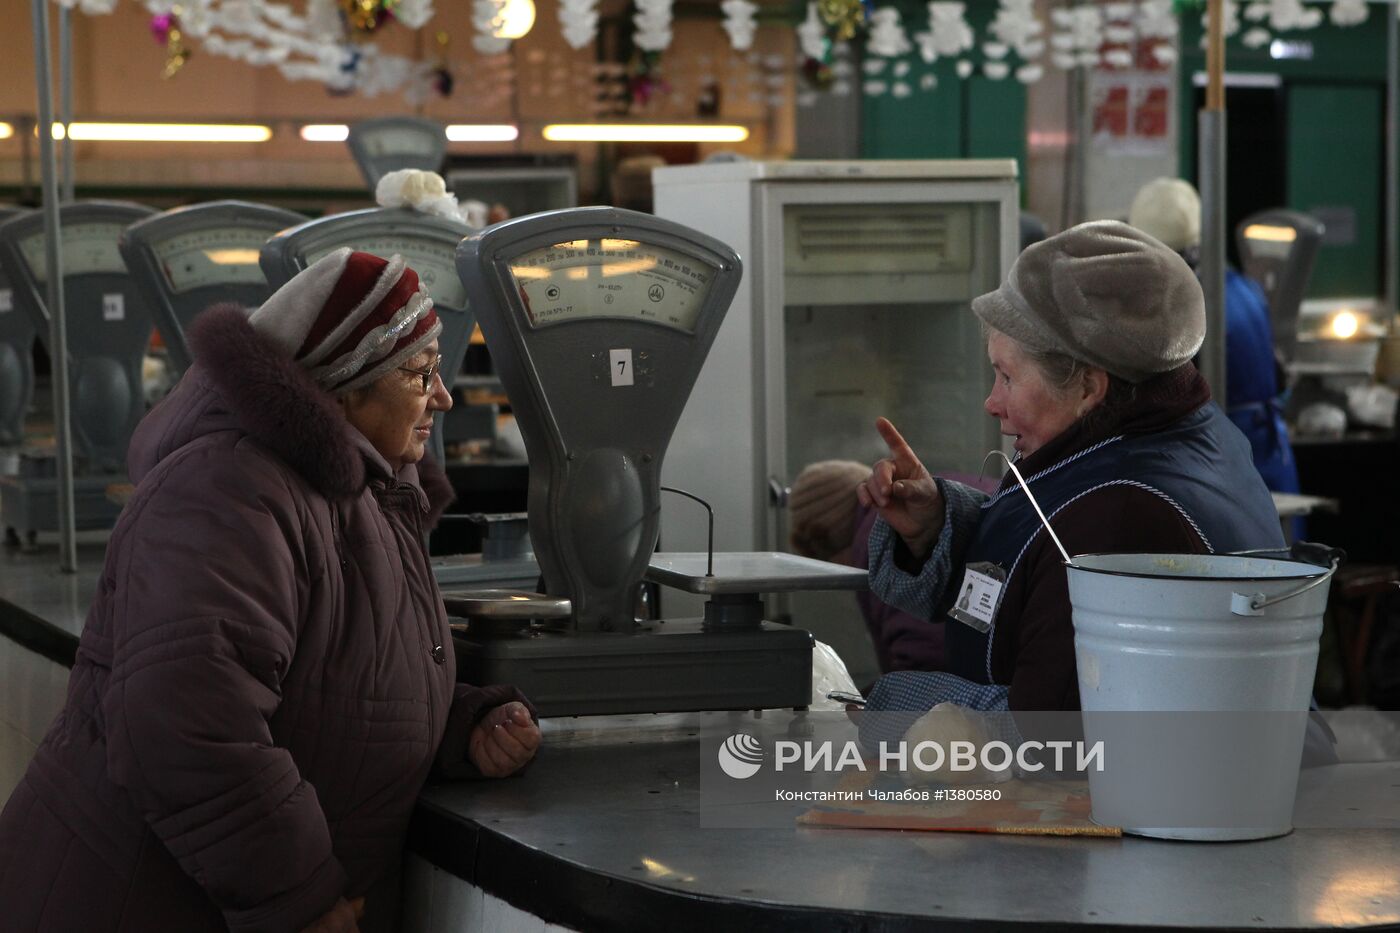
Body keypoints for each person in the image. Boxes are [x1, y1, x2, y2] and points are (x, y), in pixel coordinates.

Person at [0, 249, 541, 933]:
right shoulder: (228, 489)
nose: (444, 395)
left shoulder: (365, 494)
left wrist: (463, 724)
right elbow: (182, 719)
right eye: (420, 371)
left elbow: (347, 678)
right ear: (345, 386)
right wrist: (295, 894)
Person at [856, 220, 1285, 716]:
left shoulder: (1120, 514)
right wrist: (936, 527)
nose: (991, 402)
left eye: (1007, 377)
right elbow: (1033, 567)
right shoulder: (1170, 435)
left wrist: (882, 708)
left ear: (1087, 387)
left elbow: (1048, 734)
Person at [1128, 177, 1302, 503]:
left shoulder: (1184, 304)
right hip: (1270, 453)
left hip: (1225, 460)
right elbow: (1277, 374)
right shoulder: (1242, 286)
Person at [788, 460, 945, 675]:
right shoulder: (942, 494)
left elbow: (924, 659)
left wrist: (875, 703)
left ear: (831, 538)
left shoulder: (880, 541)